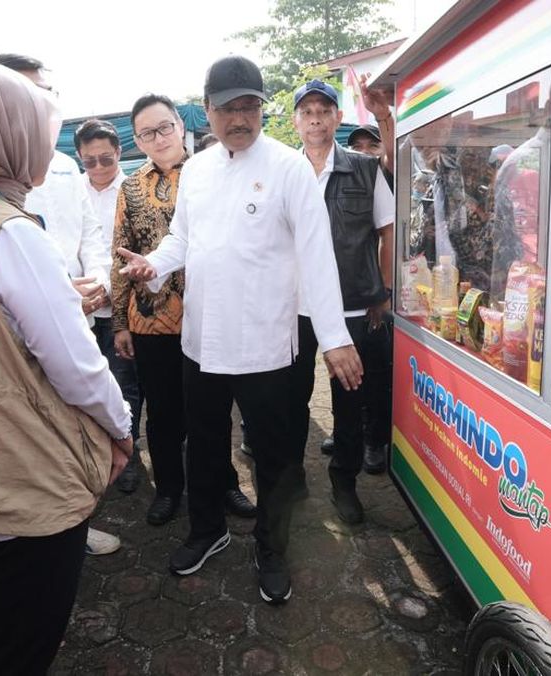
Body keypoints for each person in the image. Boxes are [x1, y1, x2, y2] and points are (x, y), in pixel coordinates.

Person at [0, 64, 134, 675]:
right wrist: (120, 425)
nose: (44, 141)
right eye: (35, 127)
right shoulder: (11, 233)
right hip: (28, 453)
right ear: (3, 136)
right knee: (26, 628)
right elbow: (75, 365)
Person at [118, 55, 363, 605]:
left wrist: (334, 337)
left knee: (276, 455)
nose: (239, 117)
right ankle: (208, 529)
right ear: (207, 111)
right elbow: (182, 240)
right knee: (202, 444)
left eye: (249, 105)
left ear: (260, 107)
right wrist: (153, 265)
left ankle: (271, 547)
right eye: (227, 107)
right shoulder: (200, 169)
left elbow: (317, 255)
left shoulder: (287, 167)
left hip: (268, 343)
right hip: (203, 341)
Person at [0, 52, 123, 557]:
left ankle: (74, 521)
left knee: (73, 422)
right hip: (15, 331)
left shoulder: (65, 164)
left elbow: (89, 231)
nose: (43, 102)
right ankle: (29, 532)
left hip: (78, 314)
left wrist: (100, 282)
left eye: (47, 92)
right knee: (28, 430)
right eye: (30, 92)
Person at [111, 93, 255, 526]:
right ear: (137, 140)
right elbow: (121, 254)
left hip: (209, 313)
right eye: (146, 133)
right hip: (151, 319)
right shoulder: (130, 186)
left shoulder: (213, 173)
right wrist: (120, 321)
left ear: (180, 125)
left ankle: (223, 482)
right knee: (164, 412)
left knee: (212, 410)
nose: (158, 138)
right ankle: (170, 487)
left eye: (164, 127)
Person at [290, 79, 396, 525]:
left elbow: (387, 230)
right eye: (307, 110)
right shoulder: (282, 172)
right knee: (290, 397)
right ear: (295, 121)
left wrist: (383, 293)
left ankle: (344, 482)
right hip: (294, 309)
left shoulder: (364, 169)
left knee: (350, 400)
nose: (315, 117)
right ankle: (289, 477)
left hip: (354, 305)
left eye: (323, 109)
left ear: (337, 117)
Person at [76, 118, 144, 493]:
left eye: (106, 159)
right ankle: (96, 454)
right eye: (90, 162)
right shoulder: (71, 191)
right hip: (83, 306)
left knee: (124, 385)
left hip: (124, 307)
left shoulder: (133, 190)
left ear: (119, 153)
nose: (99, 168)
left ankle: (129, 454)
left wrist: (111, 289)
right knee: (86, 386)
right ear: (80, 158)